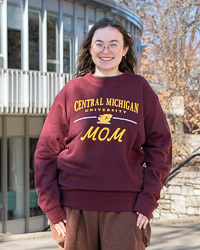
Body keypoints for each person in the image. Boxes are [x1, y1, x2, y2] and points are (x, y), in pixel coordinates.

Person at [34, 18, 172, 250]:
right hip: (75, 209)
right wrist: (52, 209)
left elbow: (161, 150)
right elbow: (45, 153)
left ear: (125, 49)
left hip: (125, 209)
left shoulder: (139, 89)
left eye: (113, 44)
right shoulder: (72, 91)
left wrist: (147, 201)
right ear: (90, 47)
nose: (105, 50)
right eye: (99, 44)